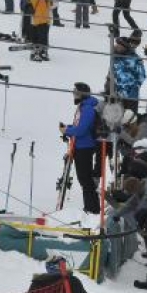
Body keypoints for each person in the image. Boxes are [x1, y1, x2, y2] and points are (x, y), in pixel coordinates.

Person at [59, 83, 101, 214]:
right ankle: (90, 207)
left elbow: (82, 129)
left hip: (85, 147)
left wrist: (68, 130)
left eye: (76, 92)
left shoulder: (88, 108)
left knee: (85, 179)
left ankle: (92, 208)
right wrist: (69, 128)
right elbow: (79, 125)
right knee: (83, 179)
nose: (74, 94)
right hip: (80, 145)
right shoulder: (83, 107)